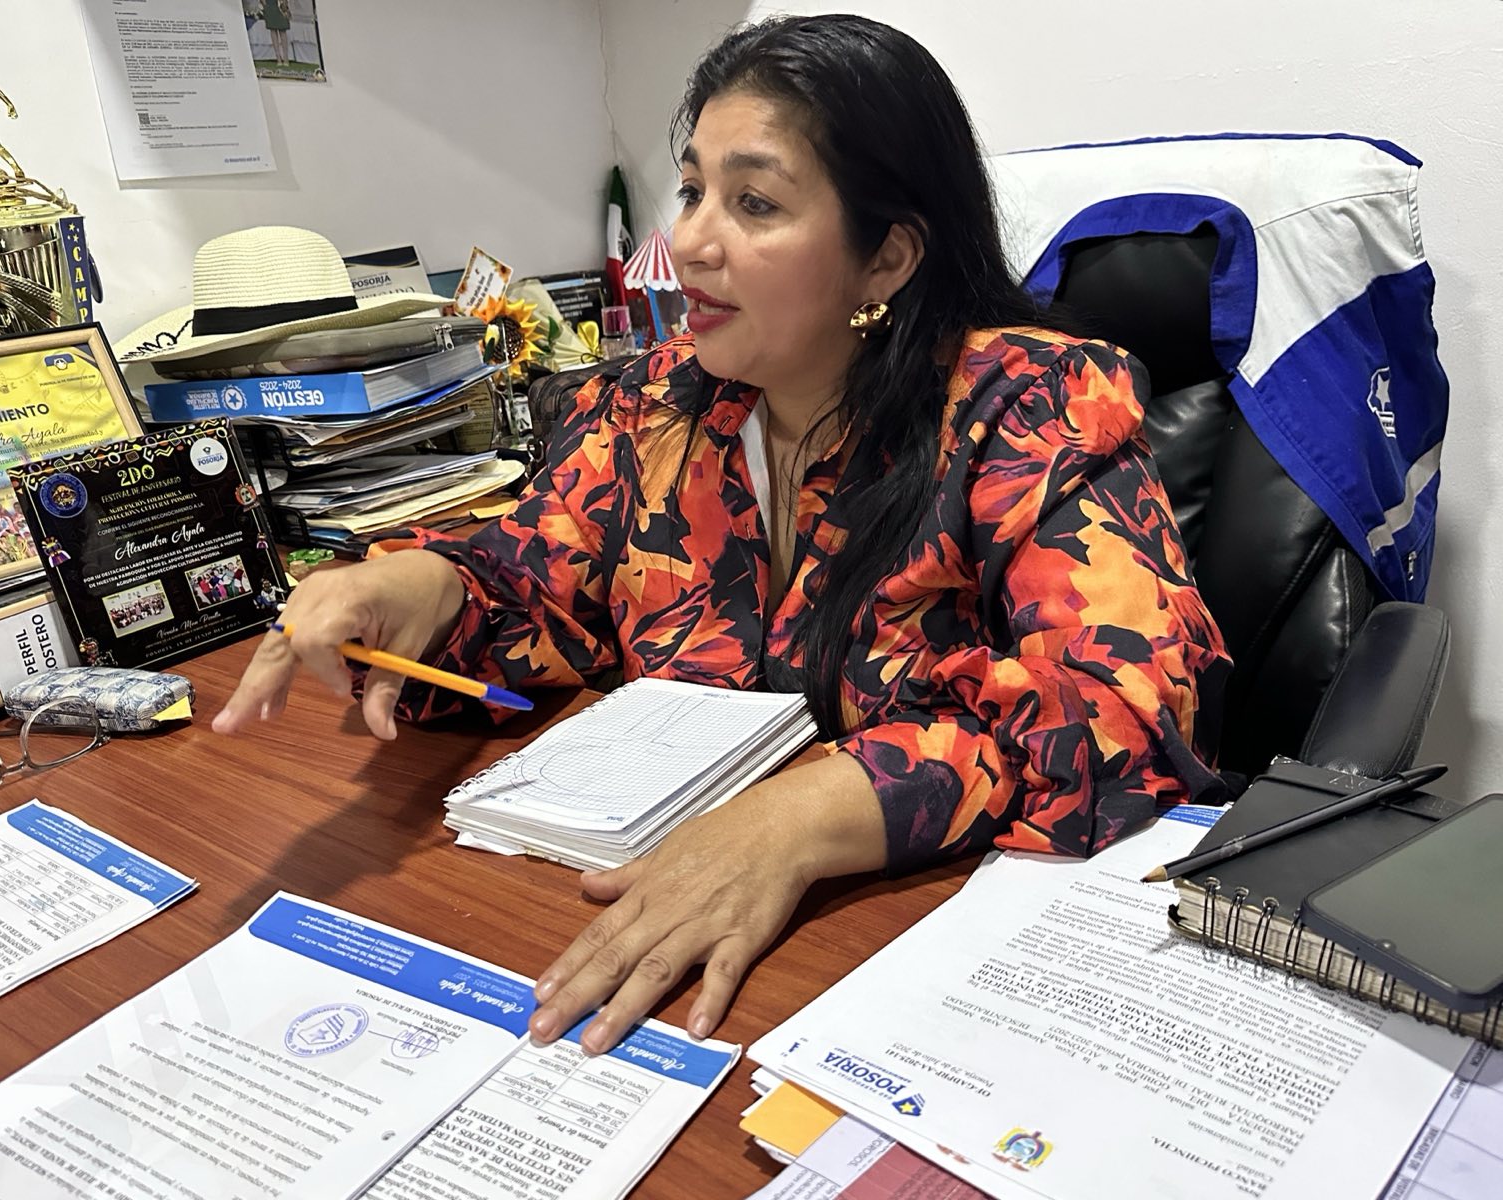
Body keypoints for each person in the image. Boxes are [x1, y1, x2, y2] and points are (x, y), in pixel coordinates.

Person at [215, 14, 1230, 1056]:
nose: (690, 243)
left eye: (754, 202)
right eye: (693, 189)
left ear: (885, 257)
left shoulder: (1028, 409)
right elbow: (534, 587)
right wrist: (427, 586)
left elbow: (1128, 707)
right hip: (639, 903)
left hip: (919, 956)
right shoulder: (650, 405)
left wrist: (802, 817)